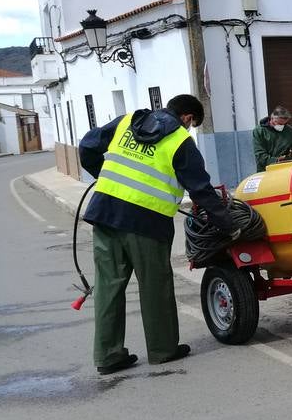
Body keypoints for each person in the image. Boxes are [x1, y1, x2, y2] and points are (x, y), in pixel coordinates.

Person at [79, 94, 237, 375]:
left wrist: (103, 176)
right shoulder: (179, 141)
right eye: (191, 124)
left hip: (105, 213)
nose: (188, 129)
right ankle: (163, 349)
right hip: (146, 222)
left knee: (108, 286)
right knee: (154, 287)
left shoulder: (127, 121)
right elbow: (201, 190)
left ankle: (108, 355)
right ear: (187, 118)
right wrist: (228, 225)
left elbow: (87, 145)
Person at [253, 105, 292, 171]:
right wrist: (277, 160)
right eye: (279, 124)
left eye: (284, 124)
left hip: (286, 169)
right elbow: (260, 155)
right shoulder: (259, 131)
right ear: (271, 118)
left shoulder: (288, 129)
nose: (282, 126)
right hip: (266, 170)